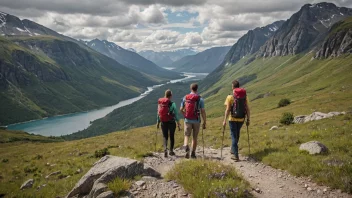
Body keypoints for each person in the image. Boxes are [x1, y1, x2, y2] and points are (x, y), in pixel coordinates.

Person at [222, 80, 250, 161]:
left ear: (233, 87)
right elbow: (247, 109)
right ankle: (233, 149)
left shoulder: (230, 97)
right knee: (237, 134)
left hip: (232, 119)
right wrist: (248, 119)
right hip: (241, 118)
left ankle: (236, 155)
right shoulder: (245, 96)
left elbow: (227, 110)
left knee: (234, 136)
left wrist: (224, 120)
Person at [180, 83, 206, 159]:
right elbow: (203, 111)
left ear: (190, 89)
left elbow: (181, 109)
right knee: (194, 137)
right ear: (197, 89)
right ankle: (193, 153)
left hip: (187, 120)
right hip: (196, 120)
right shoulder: (200, 99)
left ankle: (186, 149)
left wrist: (185, 115)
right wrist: (204, 121)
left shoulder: (185, 98)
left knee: (186, 135)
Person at [157, 89, 181, 158]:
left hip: (163, 122)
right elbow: (176, 114)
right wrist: (178, 123)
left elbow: (158, 113)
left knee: (165, 136)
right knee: (172, 136)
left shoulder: (160, 103)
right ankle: (171, 151)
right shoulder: (172, 103)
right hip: (171, 122)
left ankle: (165, 150)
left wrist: (158, 122)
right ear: (171, 95)